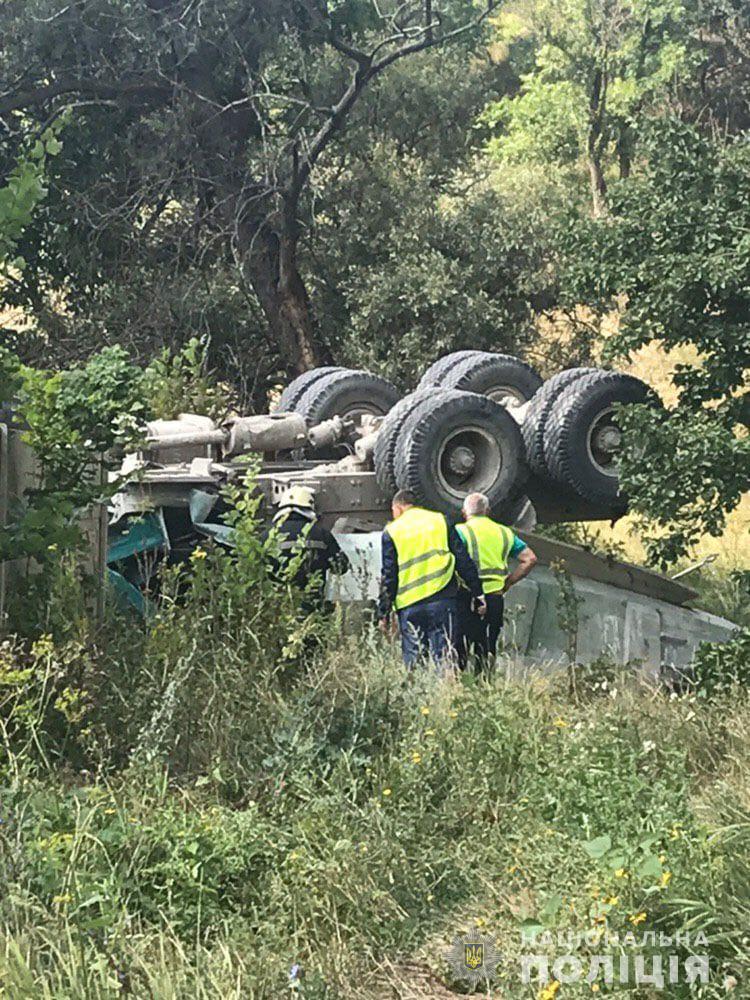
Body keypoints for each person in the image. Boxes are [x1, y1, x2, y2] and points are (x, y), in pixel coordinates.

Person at [378, 489, 486, 669]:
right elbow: (463, 559)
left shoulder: (392, 531)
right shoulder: (440, 521)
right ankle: (447, 695)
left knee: (414, 663)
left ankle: (418, 696)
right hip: (442, 600)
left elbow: (389, 576)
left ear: (397, 508)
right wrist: (478, 592)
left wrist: (384, 612)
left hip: (409, 606)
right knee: (444, 658)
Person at [456, 492, 537, 664]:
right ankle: (485, 687)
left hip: (467, 598)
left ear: (464, 512)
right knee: (486, 651)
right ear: (488, 511)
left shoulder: (460, 532)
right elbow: (530, 559)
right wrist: (508, 583)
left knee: (459, 652)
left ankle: (458, 687)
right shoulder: (504, 533)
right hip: (494, 598)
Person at [269, 485, 350, 610]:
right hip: (314, 609)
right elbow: (341, 567)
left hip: (278, 612)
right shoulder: (322, 535)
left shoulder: (268, 536)